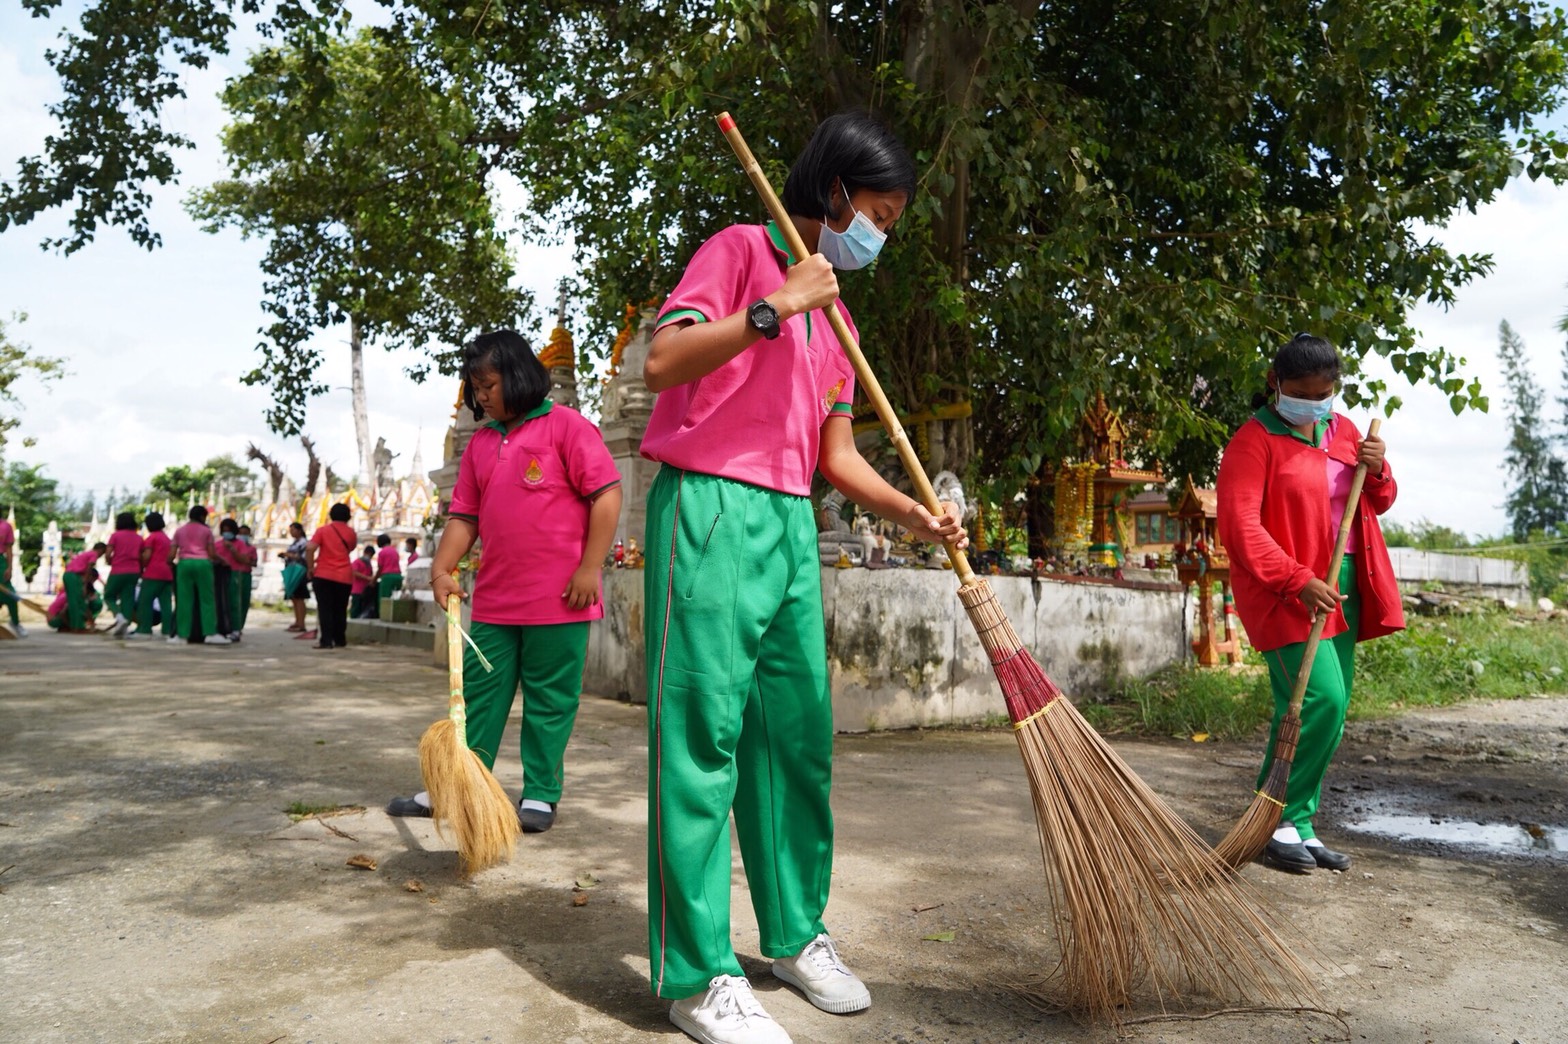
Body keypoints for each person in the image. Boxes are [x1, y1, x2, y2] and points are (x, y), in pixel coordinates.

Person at [639, 112, 967, 1043]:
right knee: (700, 739)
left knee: (795, 737)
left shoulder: (840, 319)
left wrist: (909, 510)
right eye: (880, 211)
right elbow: (662, 361)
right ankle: (697, 974)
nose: (883, 233)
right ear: (835, 195)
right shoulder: (744, 252)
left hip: (789, 525)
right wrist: (776, 305)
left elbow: (835, 455)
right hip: (708, 508)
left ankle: (791, 935)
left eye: (895, 219)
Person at [387, 330, 622, 837]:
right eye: (475, 388)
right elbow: (464, 516)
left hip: (563, 598)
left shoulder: (568, 427)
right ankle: (457, 788)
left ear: (516, 377)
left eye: (488, 384)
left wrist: (590, 567)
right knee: (475, 697)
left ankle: (540, 791)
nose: (481, 396)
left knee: (550, 701)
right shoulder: (482, 444)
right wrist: (442, 569)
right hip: (494, 600)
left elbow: (606, 495)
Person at [1217, 332, 1405, 875]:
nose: (1315, 402)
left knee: (1334, 709)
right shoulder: (1253, 442)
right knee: (1314, 701)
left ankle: (1298, 822)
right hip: (1285, 589)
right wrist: (1297, 580)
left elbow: (1380, 501)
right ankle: (1270, 819)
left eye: (1325, 392)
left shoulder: (1344, 431)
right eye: (1303, 391)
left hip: (1344, 581)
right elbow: (1240, 529)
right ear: (1276, 385)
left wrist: (1380, 467)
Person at [171, 505, 229, 645]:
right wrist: (223, 560)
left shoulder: (179, 531)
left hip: (184, 564)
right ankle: (209, 633)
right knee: (207, 599)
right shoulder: (206, 531)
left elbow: (171, 554)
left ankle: (182, 635)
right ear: (203, 517)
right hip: (203, 564)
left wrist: (170, 563)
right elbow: (212, 553)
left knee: (184, 600)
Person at [305, 504, 357, 650]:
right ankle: (340, 639)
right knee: (340, 608)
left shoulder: (323, 530)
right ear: (348, 516)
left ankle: (326, 641)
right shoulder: (351, 533)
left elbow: (310, 548)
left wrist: (310, 568)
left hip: (324, 574)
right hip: (345, 575)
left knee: (325, 608)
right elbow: (351, 548)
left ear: (331, 515)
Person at [132, 511, 175, 641]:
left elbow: (147, 555)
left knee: (145, 602)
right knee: (166, 604)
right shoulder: (167, 538)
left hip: (152, 573)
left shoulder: (152, 538)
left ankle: (144, 629)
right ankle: (167, 630)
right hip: (167, 573)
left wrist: (141, 565)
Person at [102, 512, 143, 638]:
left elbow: (108, 553)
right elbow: (142, 556)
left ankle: (120, 618)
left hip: (118, 569)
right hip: (134, 571)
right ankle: (125, 630)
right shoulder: (139, 538)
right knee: (128, 599)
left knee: (109, 596)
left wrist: (109, 561)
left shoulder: (115, 536)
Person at [61, 543, 107, 632]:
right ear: (100, 549)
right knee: (78, 601)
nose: (102, 555)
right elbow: (90, 566)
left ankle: (75, 625)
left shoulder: (87, 553)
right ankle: (78, 627)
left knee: (73, 601)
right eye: (103, 552)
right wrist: (86, 580)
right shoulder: (94, 554)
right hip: (74, 576)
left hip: (69, 575)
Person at [211, 518, 240, 641]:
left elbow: (244, 560)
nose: (226, 533)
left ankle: (235, 628)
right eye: (224, 530)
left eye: (229, 530)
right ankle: (220, 627)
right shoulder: (217, 544)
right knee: (219, 601)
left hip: (234, 573)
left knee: (233, 602)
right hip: (219, 573)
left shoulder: (240, 544)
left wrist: (232, 549)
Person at [228, 524, 258, 640]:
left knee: (244, 600)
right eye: (241, 533)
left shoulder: (252, 549)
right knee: (233, 601)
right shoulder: (231, 545)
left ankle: (239, 626)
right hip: (234, 573)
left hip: (245, 574)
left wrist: (247, 560)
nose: (243, 536)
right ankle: (232, 625)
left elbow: (254, 562)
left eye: (246, 533)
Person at [280, 522, 311, 633]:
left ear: (299, 530)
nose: (291, 532)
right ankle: (297, 621)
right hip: (292, 571)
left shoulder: (304, 543)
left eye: (293, 530)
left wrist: (288, 555)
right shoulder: (295, 543)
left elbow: (302, 557)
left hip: (299, 571)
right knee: (294, 597)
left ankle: (301, 623)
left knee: (299, 597)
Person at [0, 511, 25, 636]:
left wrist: (10, 568)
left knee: (10, 594)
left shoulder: (6, 526)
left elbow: (9, 548)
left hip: (1, 562)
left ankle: (15, 622)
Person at [373, 532, 402, 614]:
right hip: (398, 576)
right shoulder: (395, 551)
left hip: (387, 577)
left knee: (384, 599)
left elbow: (380, 568)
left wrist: (374, 580)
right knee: (395, 598)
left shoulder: (382, 552)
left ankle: (384, 614)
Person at [350, 545, 375, 619]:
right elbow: (354, 572)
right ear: (365, 553)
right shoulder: (357, 562)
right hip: (357, 590)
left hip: (366, 590)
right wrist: (367, 578)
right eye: (369, 555)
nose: (369, 557)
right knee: (355, 608)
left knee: (363, 609)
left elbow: (371, 574)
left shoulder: (368, 564)